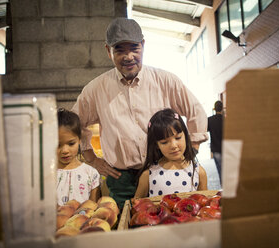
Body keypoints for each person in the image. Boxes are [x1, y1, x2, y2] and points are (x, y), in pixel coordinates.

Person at [71, 17, 208, 209]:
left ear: (143, 45)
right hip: (122, 179)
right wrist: (92, 159)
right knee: (125, 227)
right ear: (108, 51)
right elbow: (75, 124)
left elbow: (196, 112)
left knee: (169, 222)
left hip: (164, 171)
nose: (128, 56)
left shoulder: (166, 81)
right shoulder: (95, 90)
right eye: (119, 49)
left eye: (134, 47)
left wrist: (191, 150)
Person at [134, 108, 207, 198]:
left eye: (178, 138)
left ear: (185, 135)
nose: (173, 145)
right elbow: (136, 205)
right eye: (164, 142)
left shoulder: (198, 172)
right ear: (156, 145)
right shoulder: (148, 175)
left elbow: (204, 202)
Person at [56, 108, 101, 206]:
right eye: (58, 145)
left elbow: (93, 210)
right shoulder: (46, 176)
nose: (65, 151)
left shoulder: (91, 174)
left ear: (80, 140)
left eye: (71, 144)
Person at [207, 100, 223, 186]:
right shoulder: (226, 120)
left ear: (214, 108)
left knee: (220, 169)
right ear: (222, 108)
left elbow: (206, 130)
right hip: (226, 148)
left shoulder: (210, 120)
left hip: (216, 148)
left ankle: (223, 186)